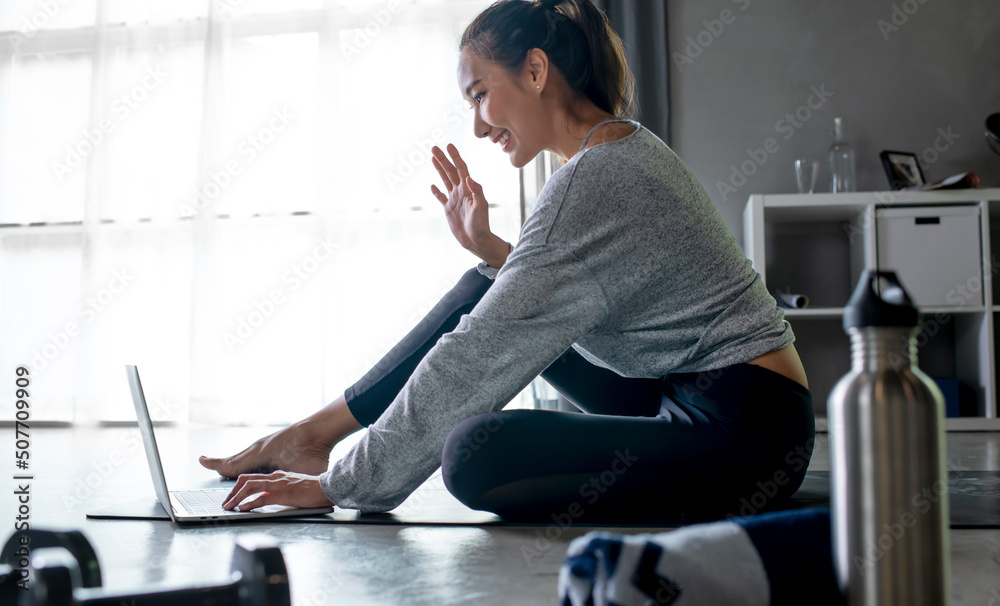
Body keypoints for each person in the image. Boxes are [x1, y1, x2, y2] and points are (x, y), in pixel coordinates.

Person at [200, 0, 814, 521]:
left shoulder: (595, 179)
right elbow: (565, 294)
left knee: (473, 451)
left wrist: (342, 486)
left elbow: (476, 357)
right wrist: (493, 250)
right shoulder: (610, 152)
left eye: (480, 94)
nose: (476, 125)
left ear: (537, 71)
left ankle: (316, 449)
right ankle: (309, 437)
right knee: (484, 282)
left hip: (747, 430)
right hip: (678, 388)